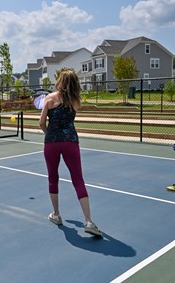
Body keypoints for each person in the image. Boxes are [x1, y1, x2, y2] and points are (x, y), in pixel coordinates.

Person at [39, 70, 102, 237]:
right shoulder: (75, 101)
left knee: (53, 178)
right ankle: (88, 221)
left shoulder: (49, 98)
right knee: (78, 180)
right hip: (71, 141)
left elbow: (41, 122)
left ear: (59, 80)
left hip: (52, 142)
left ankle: (56, 214)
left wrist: (48, 133)